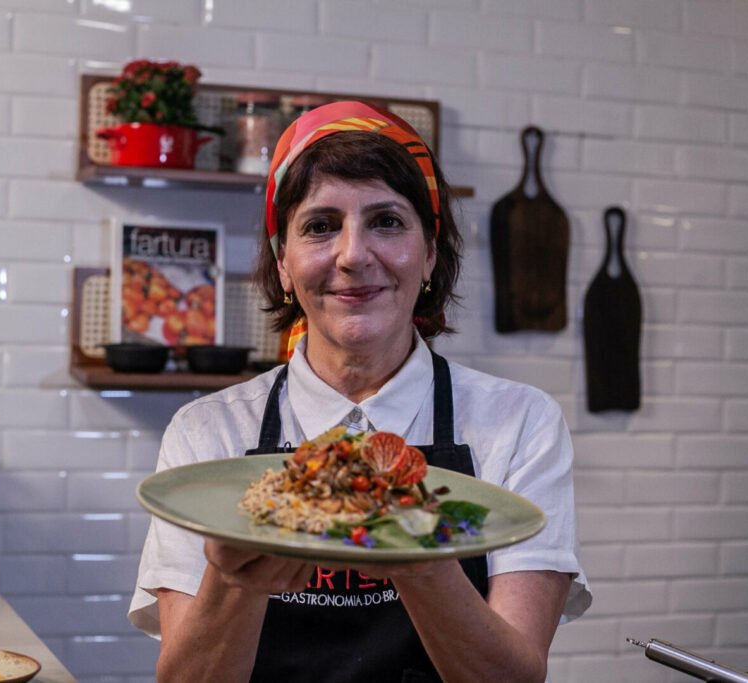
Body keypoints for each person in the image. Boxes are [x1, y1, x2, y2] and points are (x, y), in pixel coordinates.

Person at [128, 100, 591, 682]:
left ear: (429, 256)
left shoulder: (520, 423)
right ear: (284, 267)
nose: (353, 255)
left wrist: (419, 555)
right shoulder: (209, 434)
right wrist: (231, 579)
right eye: (320, 226)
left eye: (387, 222)